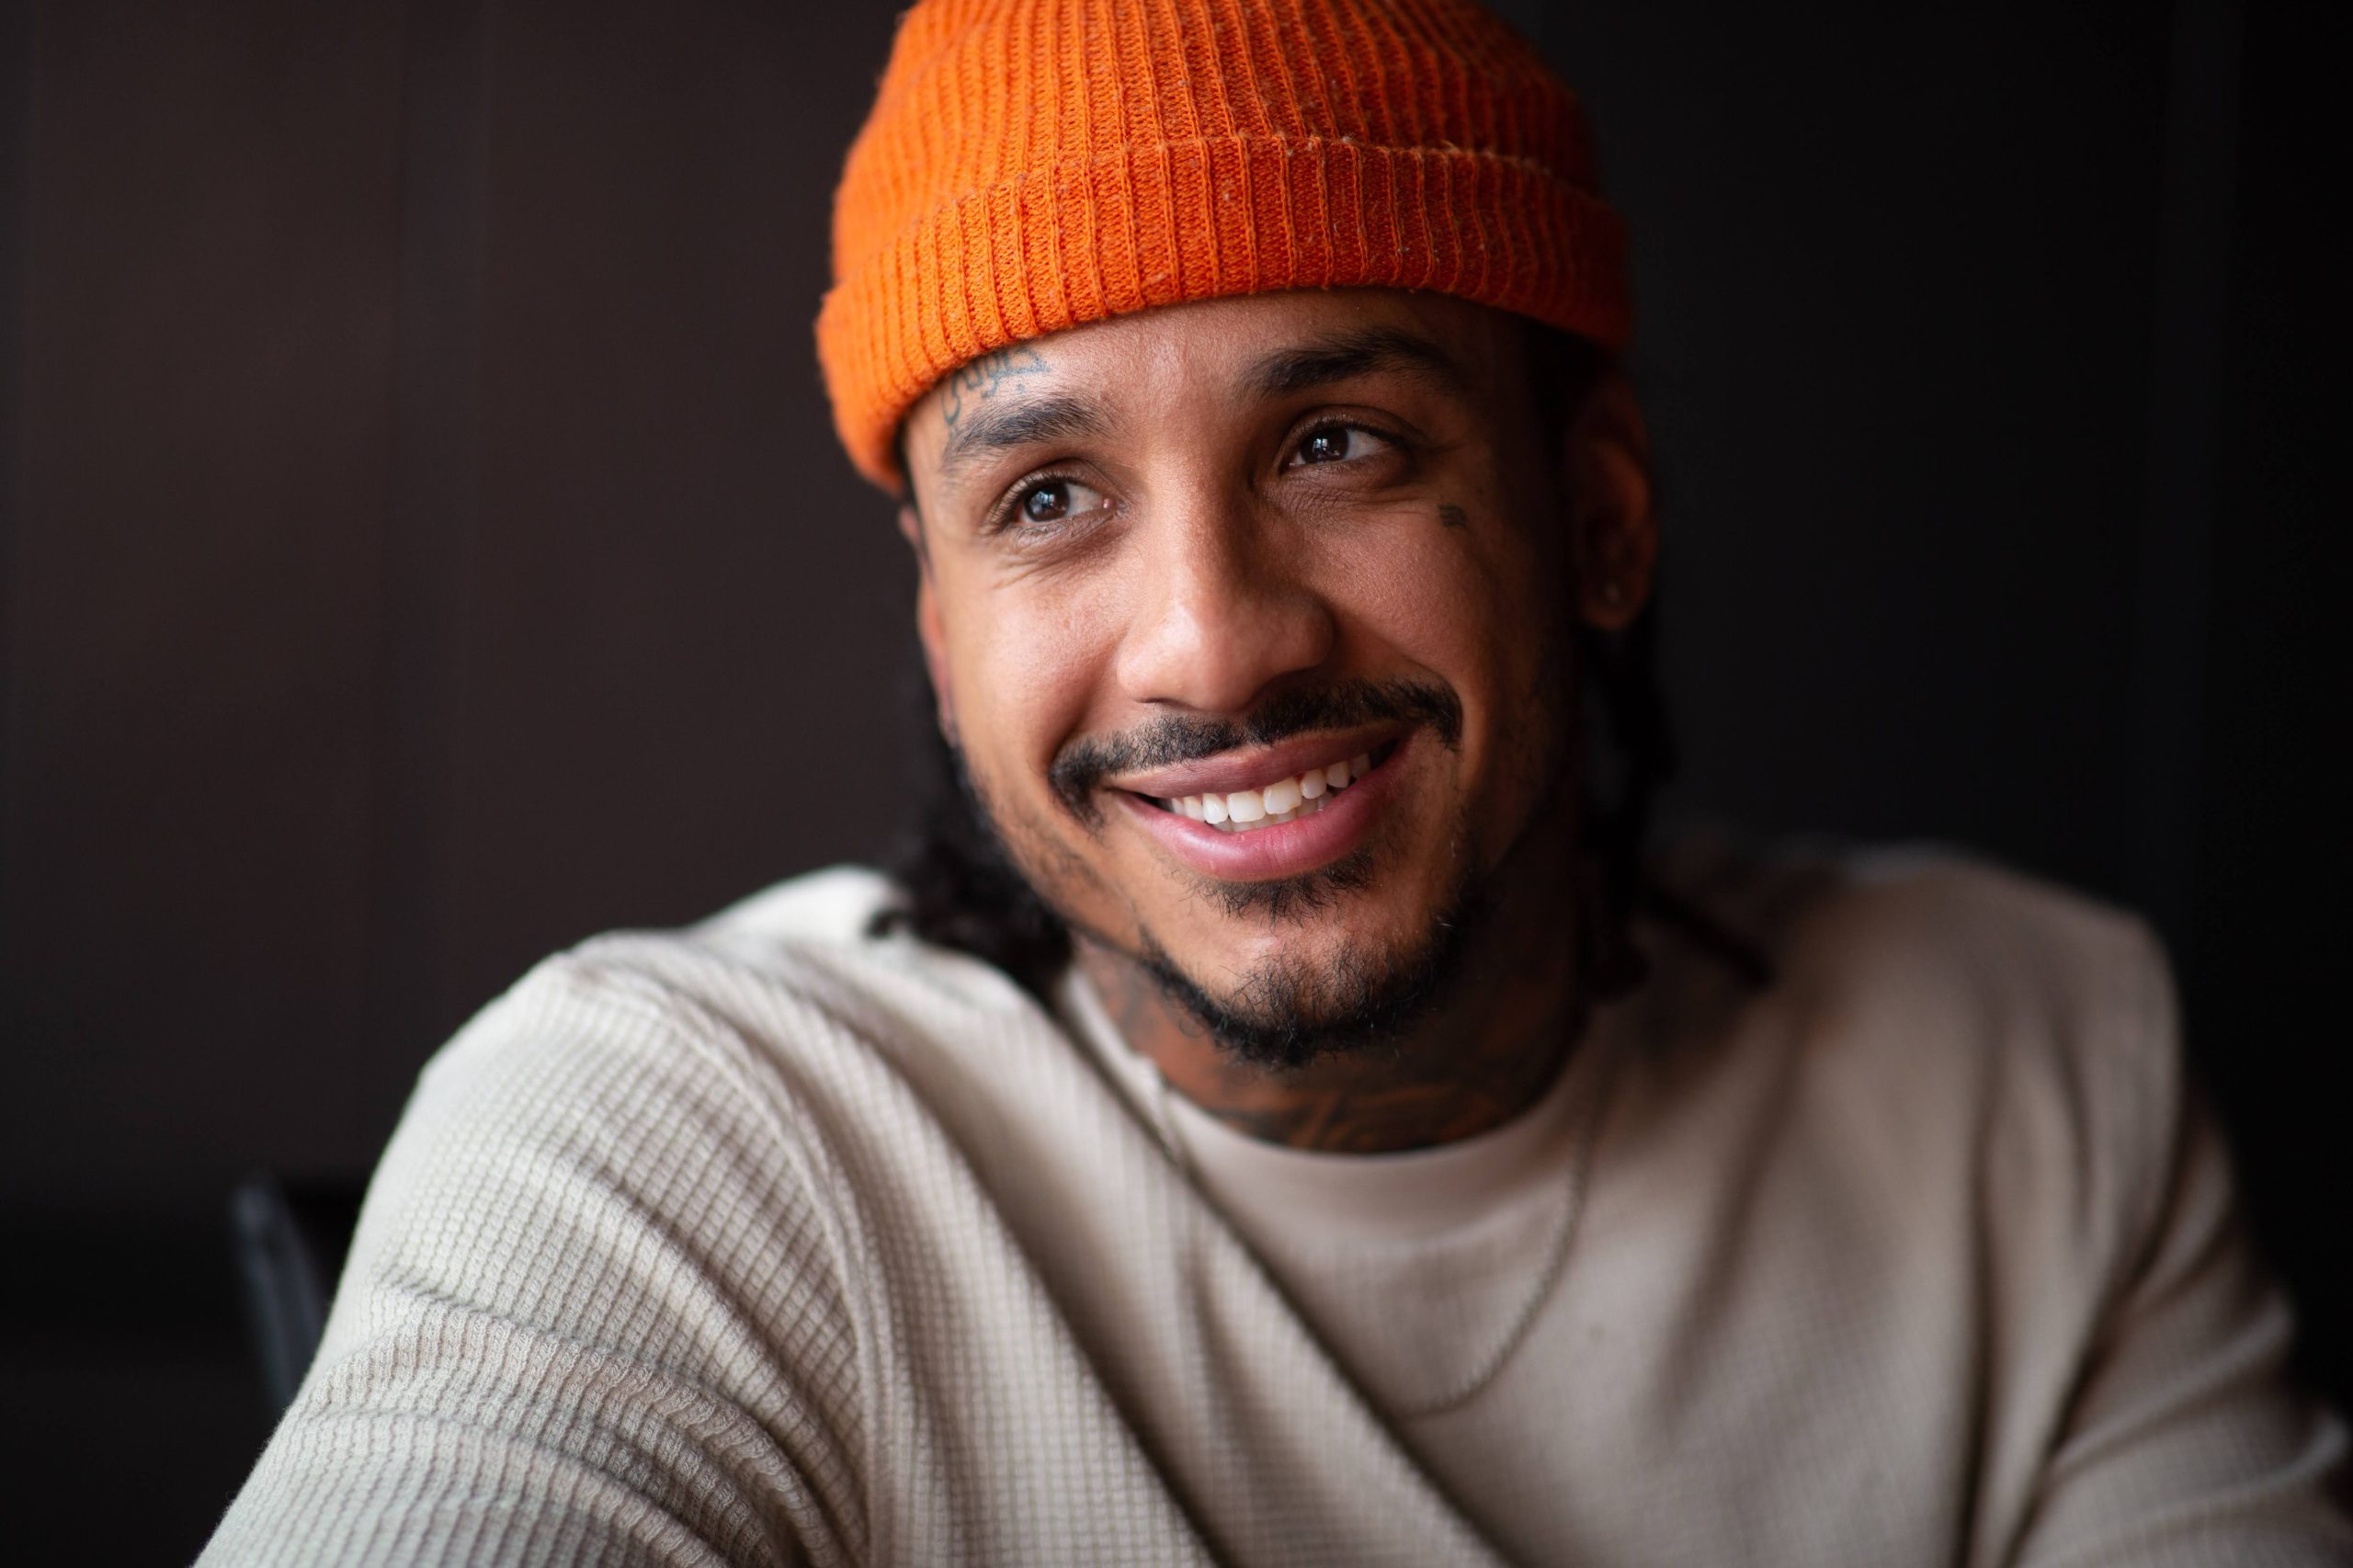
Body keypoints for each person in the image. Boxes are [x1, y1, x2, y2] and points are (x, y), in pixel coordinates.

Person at [203, 0, 2350, 1562]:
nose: (1214, 637)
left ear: (1593, 510)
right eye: (1048, 494)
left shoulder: (2036, 1067)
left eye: (1336, 445)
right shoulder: (672, 1144)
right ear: (945, 634)